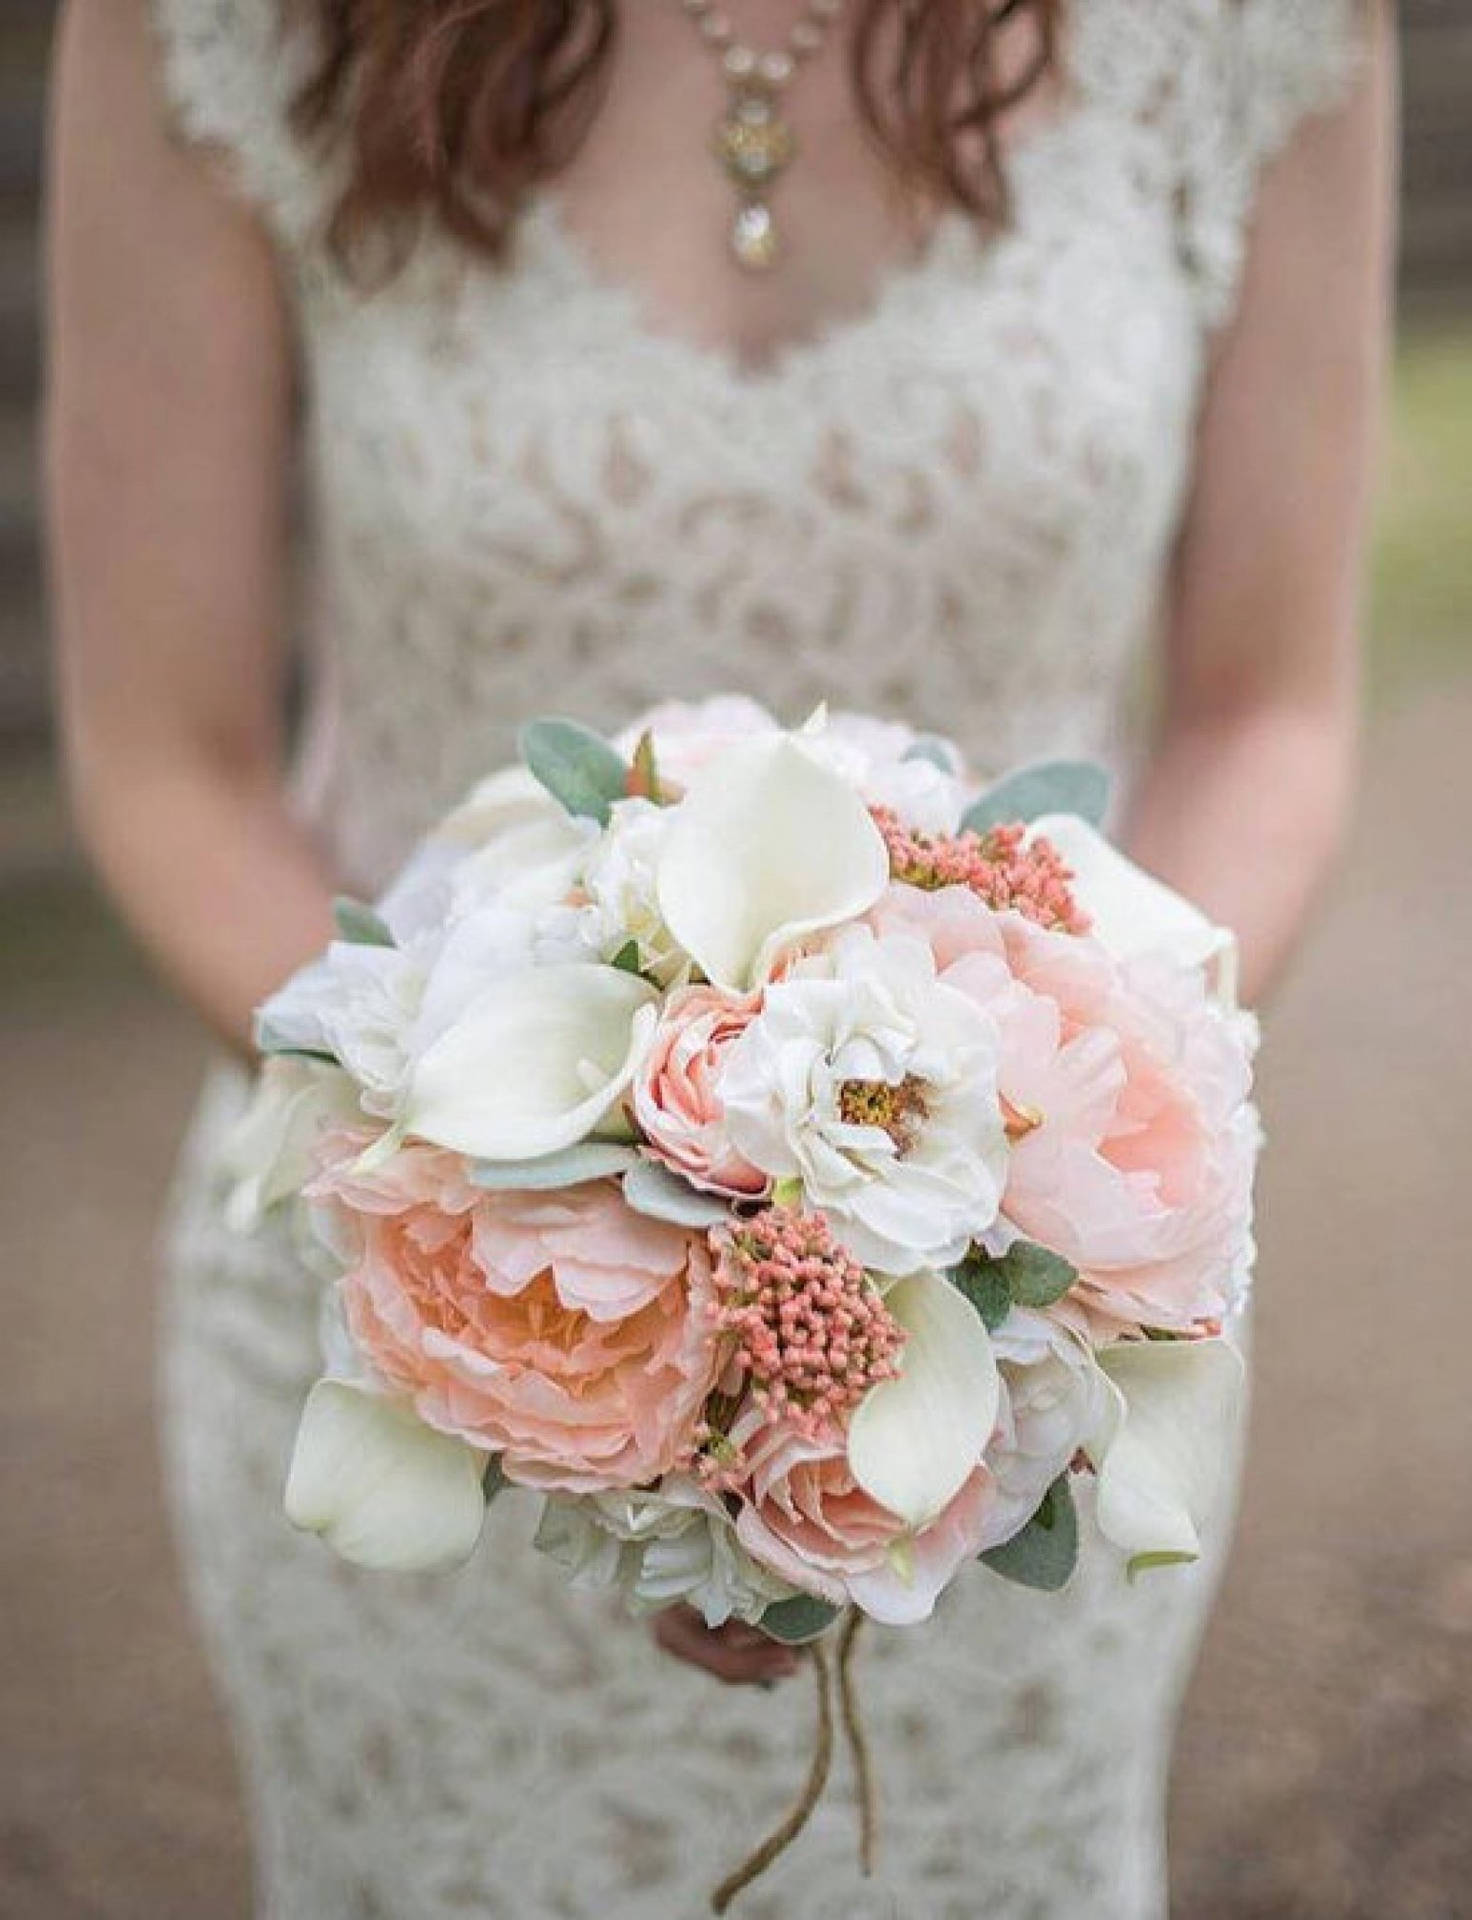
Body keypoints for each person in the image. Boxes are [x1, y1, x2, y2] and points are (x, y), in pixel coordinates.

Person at [45, 1, 1394, 1913]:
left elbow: (1268, 714)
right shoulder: (220, 30)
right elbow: (169, 762)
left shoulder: (1251, 31)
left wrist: (1025, 1260)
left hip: (1007, 1365)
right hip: (427, 1307)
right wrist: (544, 1253)